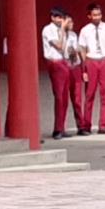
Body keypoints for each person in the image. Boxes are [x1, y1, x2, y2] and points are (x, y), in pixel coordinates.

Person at [78, 4, 105, 135]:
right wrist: (84, 68)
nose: (97, 17)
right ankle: (86, 125)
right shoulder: (85, 30)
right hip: (91, 60)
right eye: (94, 15)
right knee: (89, 94)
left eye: (99, 14)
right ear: (89, 16)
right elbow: (82, 49)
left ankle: (103, 125)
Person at [41, 9, 84, 140]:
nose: (61, 21)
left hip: (65, 63)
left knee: (66, 97)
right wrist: (62, 31)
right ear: (53, 18)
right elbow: (59, 46)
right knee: (60, 97)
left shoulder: (70, 34)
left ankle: (62, 127)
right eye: (59, 18)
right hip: (55, 62)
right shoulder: (48, 30)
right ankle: (58, 129)